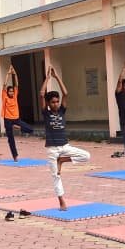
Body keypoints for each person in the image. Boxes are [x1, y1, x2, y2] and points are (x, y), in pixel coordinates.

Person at [41, 66, 91, 210]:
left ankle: (62, 160)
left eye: (57, 101)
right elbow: (41, 93)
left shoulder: (62, 111)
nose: (56, 104)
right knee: (56, 176)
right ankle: (62, 201)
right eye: (53, 102)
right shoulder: (46, 113)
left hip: (65, 146)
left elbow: (66, 93)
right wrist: (47, 78)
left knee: (86, 156)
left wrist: (57, 77)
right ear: (48, 104)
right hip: (52, 149)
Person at [1, 64, 36, 161]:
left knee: (30, 129)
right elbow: (4, 85)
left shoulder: (15, 95)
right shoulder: (5, 96)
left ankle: (17, 127)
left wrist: (14, 73)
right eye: (10, 91)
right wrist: (8, 74)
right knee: (10, 139)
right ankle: (15, 156)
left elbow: (17, 84)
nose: (11, 92)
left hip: (16, 119)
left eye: (12, 91)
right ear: (7, 92)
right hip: (7, 119)